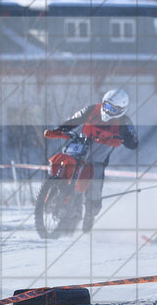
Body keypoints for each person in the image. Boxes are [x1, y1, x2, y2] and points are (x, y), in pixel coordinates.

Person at [49, 88, 138, 231]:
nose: (108, 112)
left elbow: (134, 143)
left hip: (98, 158)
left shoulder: (124, 122)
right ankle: (54, 190)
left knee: (94, 187)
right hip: (80, 148)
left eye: (112, 110)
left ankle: (90, 214)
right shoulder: (92, 109)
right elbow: (75, 119)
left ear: (121, 110)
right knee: (65, 162)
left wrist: (124, 139)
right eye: (106, 106)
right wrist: (60, 129)